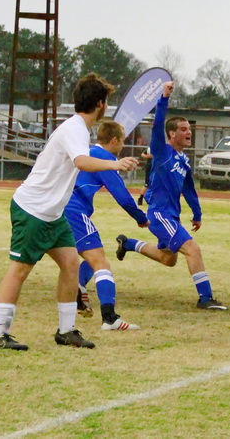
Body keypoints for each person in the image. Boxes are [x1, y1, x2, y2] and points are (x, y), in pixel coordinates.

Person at [0, 74, 139, 352]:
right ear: (100, 104)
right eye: (106, 101)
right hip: (33, 209)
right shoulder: (75, 129)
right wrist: (114, 164)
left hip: (53, 214)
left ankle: (66, 331)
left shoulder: (79, 129)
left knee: (71, 264)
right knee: (19, 270)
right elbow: (81, 161)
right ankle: (0, 334)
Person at [116, 81, 226, 310]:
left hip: (171, 215)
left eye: (189, 129)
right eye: (183, 129)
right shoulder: (162, 150)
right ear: (171, 134)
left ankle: (128, 244)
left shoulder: (183, 160)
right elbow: (157, 124)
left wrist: (197, 214)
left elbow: (189, 189)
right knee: (192, 249)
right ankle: (205, 298)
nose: (189, 132)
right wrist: (164, 98)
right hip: (160, 214)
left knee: (168, 259)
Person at [66, 120, 149, 330]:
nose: (123, 145)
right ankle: (109, 318)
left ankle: (77, 286)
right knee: (100, 262)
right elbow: (122, 196)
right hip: (73, 209)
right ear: (113, 141)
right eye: (122, 141)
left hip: (53, 207)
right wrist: (141, 218)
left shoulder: (86, 151)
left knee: (81, 256)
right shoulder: (104, 158)